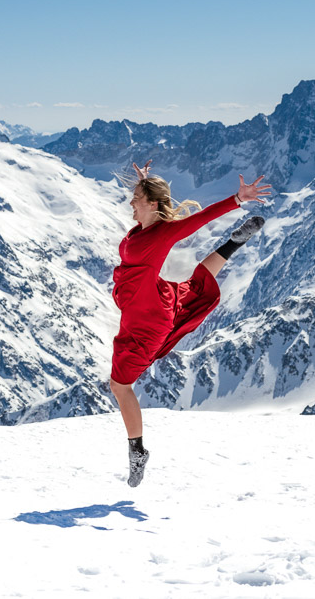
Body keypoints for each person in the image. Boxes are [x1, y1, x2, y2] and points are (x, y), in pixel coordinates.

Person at [110, 160, 271, 486]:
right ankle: (233, 244)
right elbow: (148, 205)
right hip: (145, 307)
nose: (131, 203)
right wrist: (145, 182)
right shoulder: (144, 228)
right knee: (196, 284)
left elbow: (198, 220)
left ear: (152, 205)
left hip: (147, 323)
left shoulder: (161, 234)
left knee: (120, 385)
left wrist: (236, 200)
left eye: (136, 198)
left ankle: (137, 451)